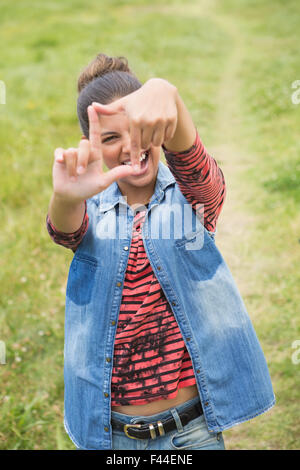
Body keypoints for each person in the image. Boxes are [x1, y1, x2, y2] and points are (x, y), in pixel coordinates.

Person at [46, 53, 275, 451]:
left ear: (157, 128)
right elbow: (64, 230)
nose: (129, 146)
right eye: (111, 137)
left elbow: (197, 167)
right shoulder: (91, 211)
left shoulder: (191, 200)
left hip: (191, 432)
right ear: (93, 146)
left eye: (136, 130)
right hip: (112, 436)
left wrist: (167, 94)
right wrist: (65, 196)